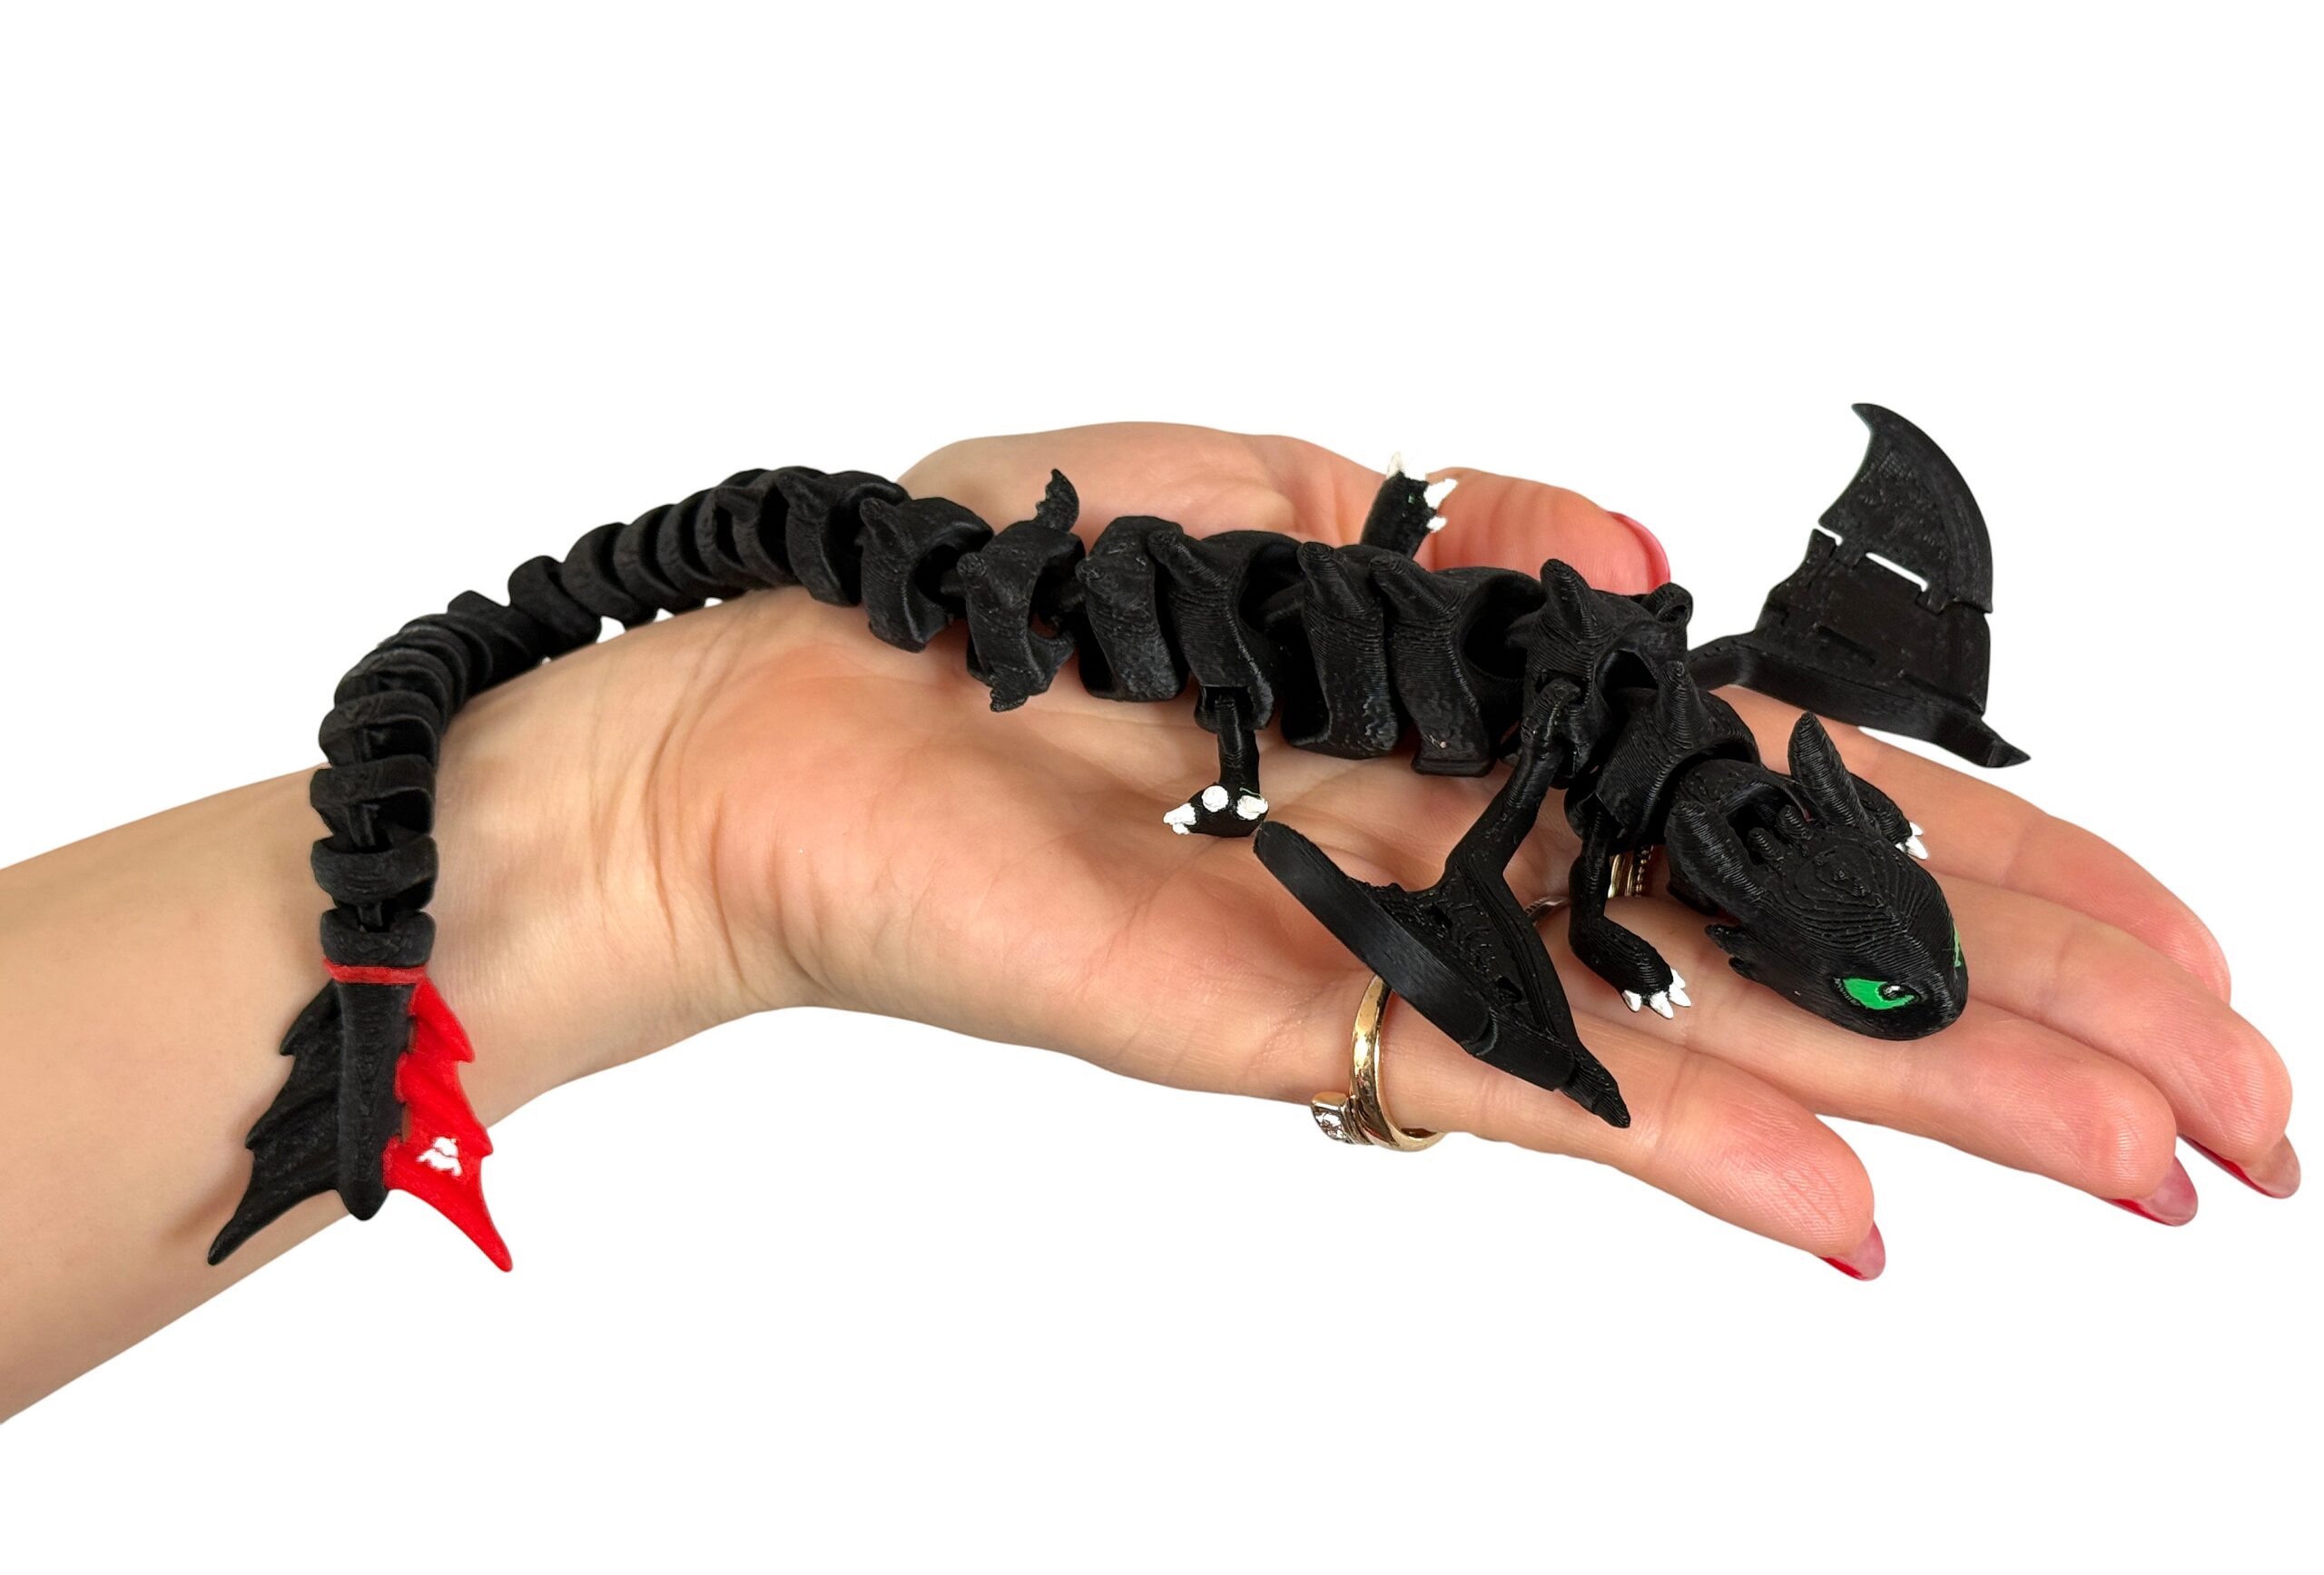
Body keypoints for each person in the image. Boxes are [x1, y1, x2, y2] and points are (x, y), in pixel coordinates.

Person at [0, 423, 2295, 1416]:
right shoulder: (1634, 773)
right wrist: (661, 795)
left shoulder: (1658, 734)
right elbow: (1473, 847)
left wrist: (654, 812)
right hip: (1195, 641)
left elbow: (1531, 773)